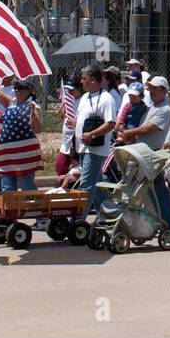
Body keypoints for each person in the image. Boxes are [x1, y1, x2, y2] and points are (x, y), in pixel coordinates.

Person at [116, 75, 170, 234]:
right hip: (143, 154)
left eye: (155, 89)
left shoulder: (165, 110)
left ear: (164, 91)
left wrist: (128, 132)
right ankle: (152, 225)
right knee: (145, 193)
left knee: (159, 192)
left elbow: (148, 129)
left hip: (153, 155)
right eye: (150, 88)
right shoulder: (151, 107)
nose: (152, 92)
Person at [73, 65, 118, 223]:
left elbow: (111, 123)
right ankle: (108, 216)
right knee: (97, 186)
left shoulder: (107, 99)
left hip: (96, 149)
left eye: (84, 78)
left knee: (86, 185)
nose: (81, 81)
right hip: (83, 148)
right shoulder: (85, 97)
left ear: (93, 80)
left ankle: (78, 221)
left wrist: (92, 134)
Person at [0, 76, 42, 192]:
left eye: (21, 88)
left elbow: (38, 128)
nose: (17, 90)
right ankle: (11, 210)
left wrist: (33, 114)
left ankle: (32, 209)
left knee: (26, 185)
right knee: (7, 187)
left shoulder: (34, 106)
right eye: (16, 88)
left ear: (29, 90)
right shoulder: (11, 103)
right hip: (7, 154)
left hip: (24, 154)